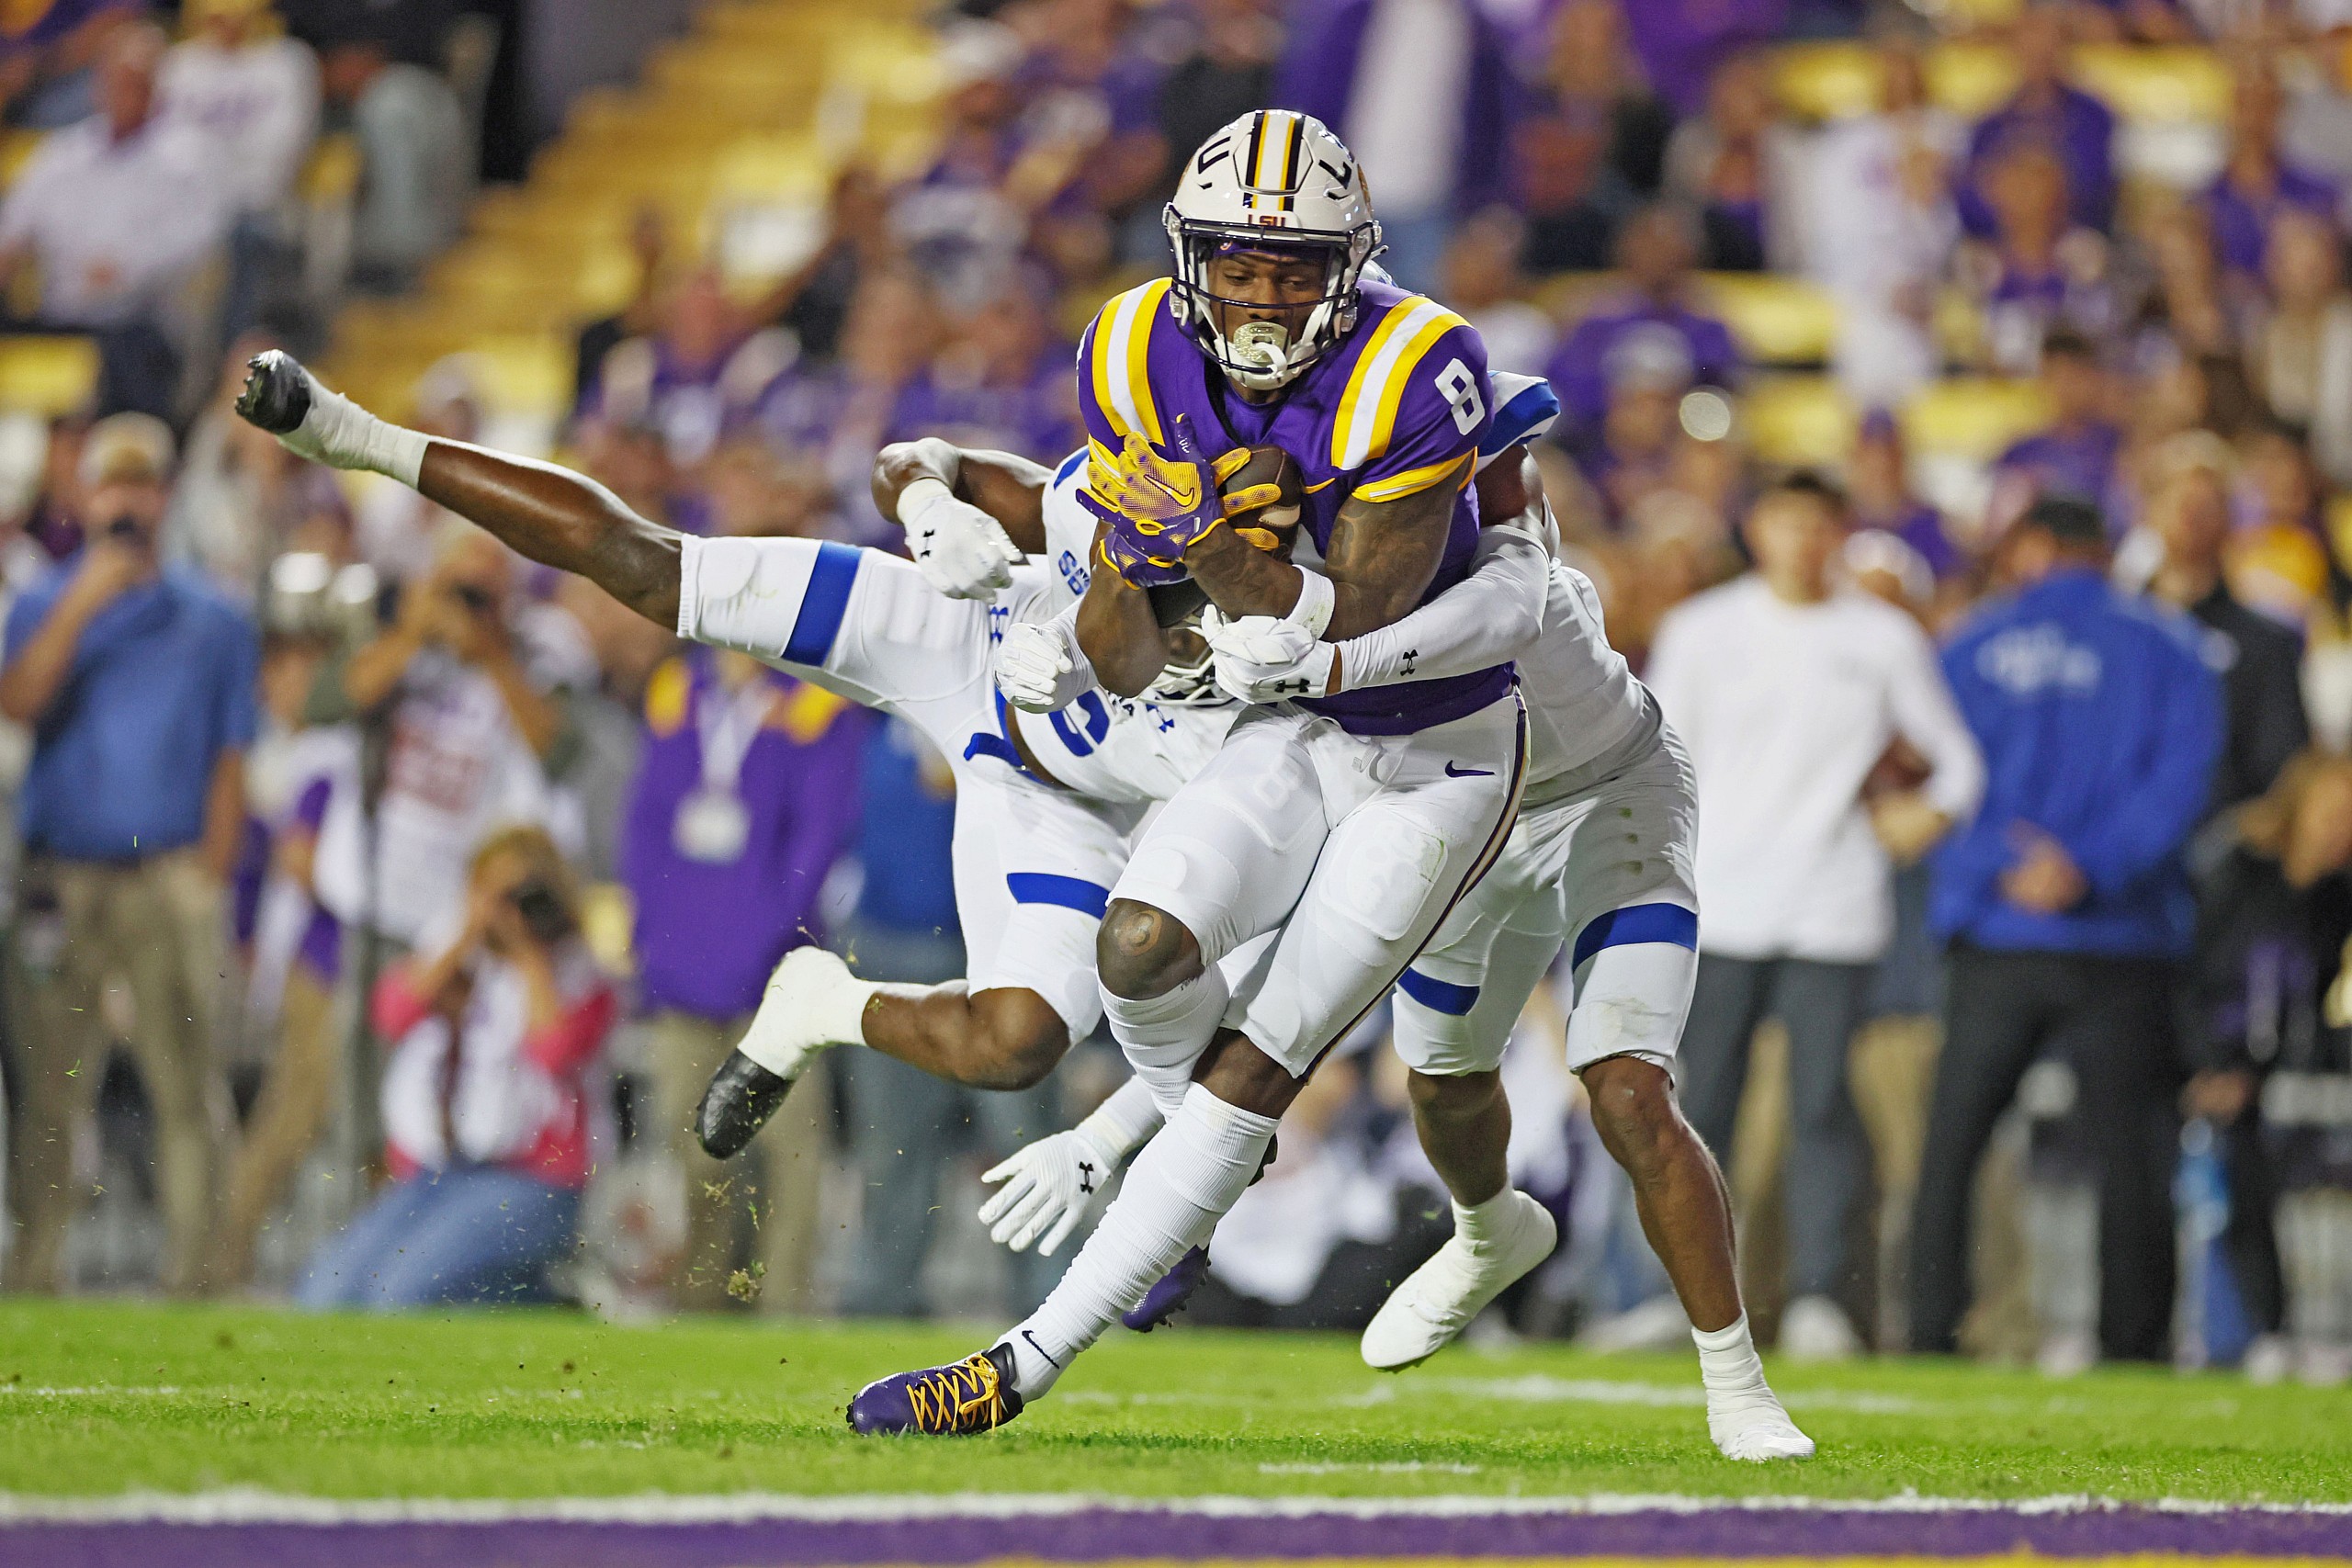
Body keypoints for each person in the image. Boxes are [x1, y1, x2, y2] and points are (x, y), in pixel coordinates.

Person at [1645, 474, 1984, 1359]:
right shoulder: (1701, 631)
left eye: (1817, 522)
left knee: (1825, 1108)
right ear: (1756, 527)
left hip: (1834, 906)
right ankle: (1676, 1297)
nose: (1800, 539)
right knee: (1695, 1108)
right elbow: (1657, 758)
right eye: (1784, 520)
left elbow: (1958, 764)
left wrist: (1928, 813)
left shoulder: (1880, 637)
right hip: (1718, 901)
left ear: (1838, 530)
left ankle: (1825, 1300)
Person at [1911, 494, 2222, 1363]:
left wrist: (2003, 867)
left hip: (1997, 933)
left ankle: (1930, 1326)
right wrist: (2089, 864)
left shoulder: (1968, 645)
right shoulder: (2172, 645)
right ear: (2103, 547)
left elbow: (1932, 774)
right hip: (2125, 939)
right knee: (2133, 1156)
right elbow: (2185, 782)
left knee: (1955, 1148)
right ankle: (2135, 1343)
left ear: (2033, 547)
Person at [0, 413, 258, 1296]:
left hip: (165, 875)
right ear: (85, 493)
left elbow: (233, 758)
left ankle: (198, 1279)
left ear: (166, 494)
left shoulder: (216, 617)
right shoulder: (42, 603)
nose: (127, 498)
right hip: (60, 876)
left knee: (185, 1089)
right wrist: (84, 601)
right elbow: (19, 705)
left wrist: (209, 879)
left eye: (143, 482)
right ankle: (35, 1272)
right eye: (113, 482)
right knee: (49, 1090)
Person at [617, 645, 864, 1313]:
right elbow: (645, 820)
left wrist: (765, 942)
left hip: (776, 978)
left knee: (792, 1154)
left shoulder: (813, 702)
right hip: (682, 970)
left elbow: (817, 842)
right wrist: (652, 937)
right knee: (695, 1148)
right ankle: (697, 1306)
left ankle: (785, 1306)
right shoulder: (675, 688)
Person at [296, 825, 616, 1308]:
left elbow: (553, 1052)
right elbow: (391, 1012)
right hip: (443, 1170)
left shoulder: (580, 974)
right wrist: (467, 930)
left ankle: (551, 1302)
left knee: (400, 1296)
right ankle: (541, 1292)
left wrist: (530, 954)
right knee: (323, 1295)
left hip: (535, 1181)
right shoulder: (459, 958)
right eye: (496, 889)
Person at [0, 21, 232, 418]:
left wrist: (128, 270)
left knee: (122, 363)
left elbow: (200, 241)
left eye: (136, 81)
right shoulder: (63, 153)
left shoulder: (188, 157)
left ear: (156, 86)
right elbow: (14, 228)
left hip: (141, 325)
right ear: (98, 84)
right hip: (61, 320)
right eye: (115, 79)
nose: (124, 92)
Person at [1547, 204, 1742, 443]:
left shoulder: (1708, 329)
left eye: (1668, 247)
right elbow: (1564, 392)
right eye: (1648, 246)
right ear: (1625, 252)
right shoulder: (1595, 325)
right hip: (1598, 446)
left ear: (1689, 255)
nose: (1658, 257)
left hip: (1681, 445)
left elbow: (1725, 394)